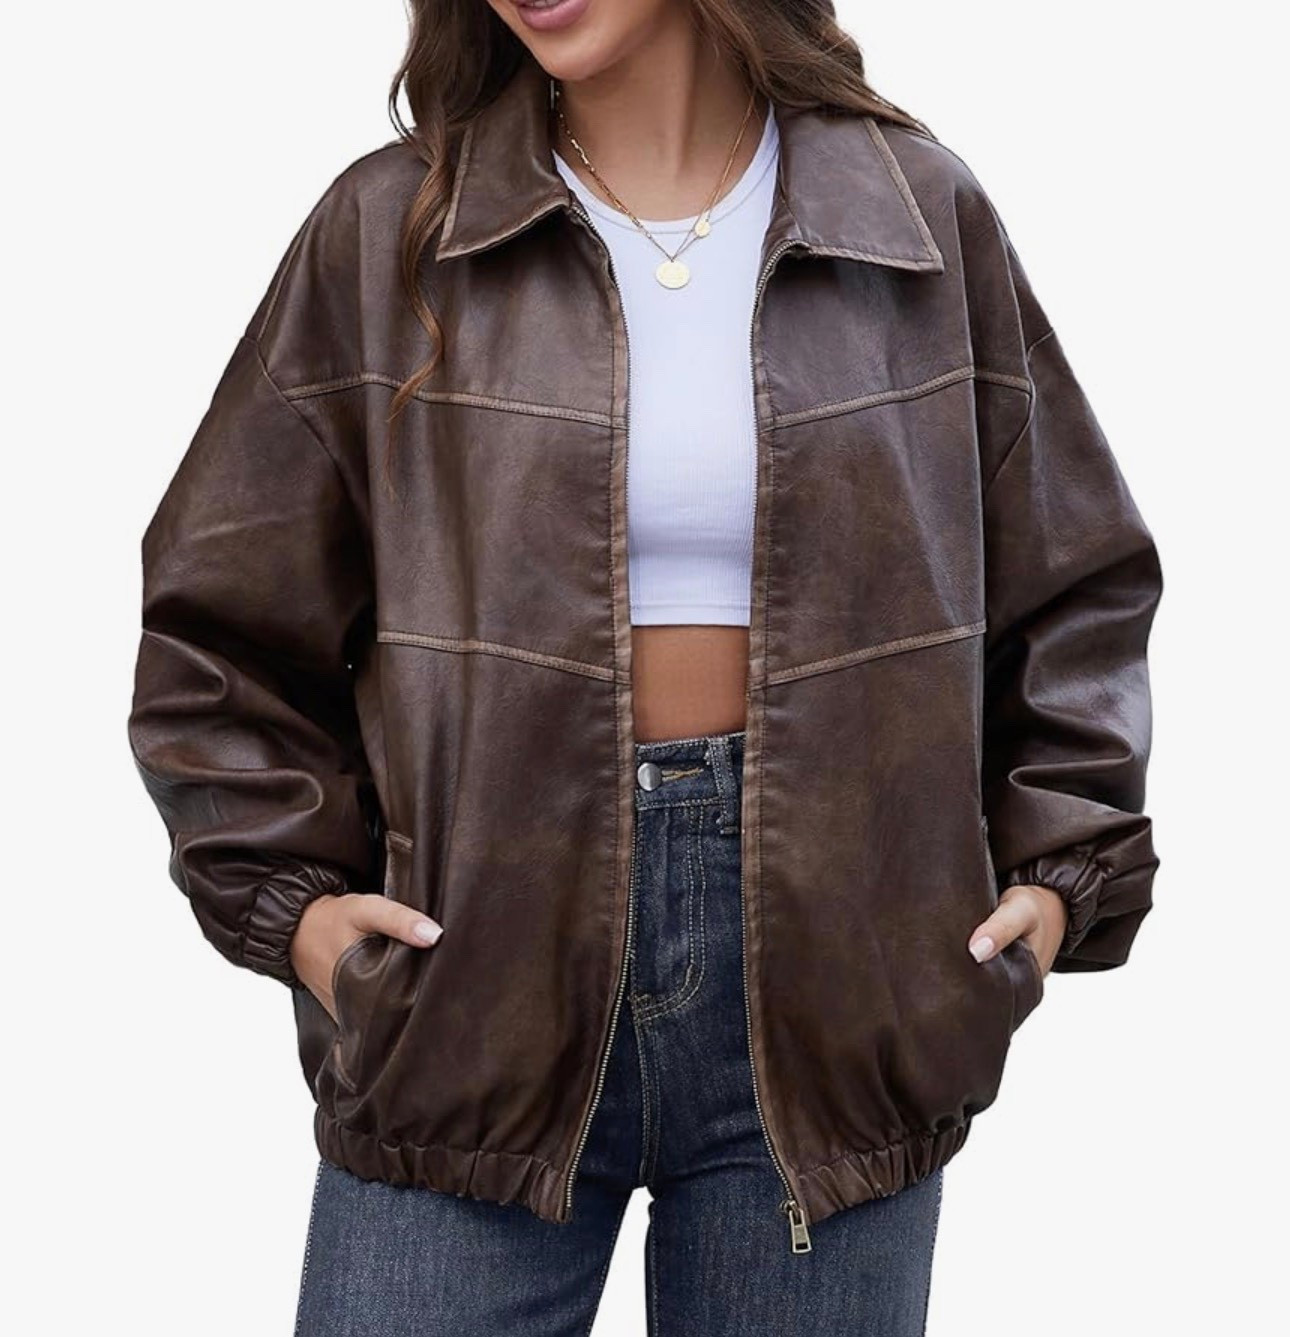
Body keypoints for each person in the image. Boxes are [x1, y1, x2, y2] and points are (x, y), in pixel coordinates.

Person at [126, 0, 1163, 1332]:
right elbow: (220, 613)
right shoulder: (396, 228)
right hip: (472, 968)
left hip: (844, 978)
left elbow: (1072, 575)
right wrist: (300, 912)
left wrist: (1060, 872)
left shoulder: (910, 214)